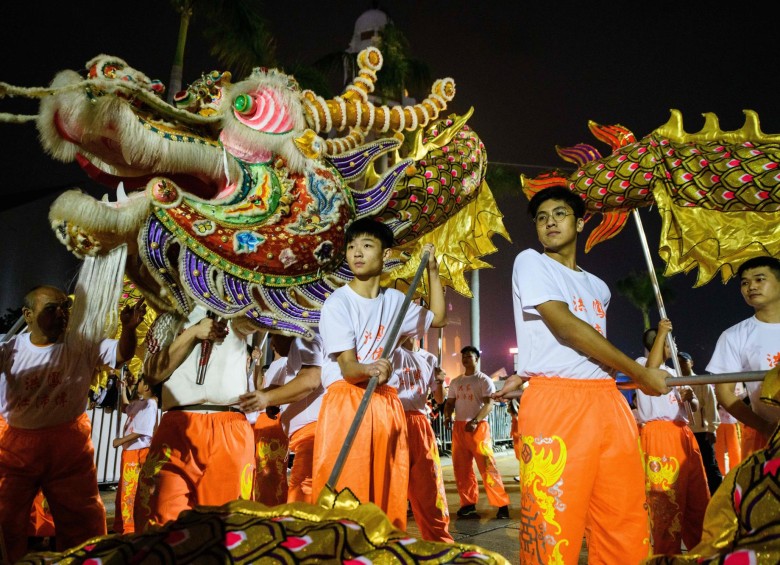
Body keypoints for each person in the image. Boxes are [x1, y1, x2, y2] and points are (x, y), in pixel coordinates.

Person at [495, 186, 669, 565]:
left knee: (624, 516)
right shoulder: (531, 262)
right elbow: (565, 328)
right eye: (542, 218)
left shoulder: (598, 287)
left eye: (559, 214)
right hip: (557, 403)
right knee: (553, 525)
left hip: (607, 400)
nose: (550, 223)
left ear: (579, 221)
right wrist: (638, 371)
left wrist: (632, 375)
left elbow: (588, 347)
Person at [311, 218, 446, 530]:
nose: (357, 253)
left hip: (386, 402)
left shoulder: (396, 301)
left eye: (367, 246)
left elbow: (438, 317)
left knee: (387, 489)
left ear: (385, 255)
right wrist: (369, 368)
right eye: (351, 247)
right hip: (348, 399)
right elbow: (347, 368)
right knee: (348, 492)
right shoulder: (338, 302)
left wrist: (432, 272)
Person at [0, 285, 145, 561]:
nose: (62, 314)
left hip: (69, 445)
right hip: (17, 446)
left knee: (84, 518)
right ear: (27, 315)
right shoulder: (10, 350)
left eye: (65, 307)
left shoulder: (83, 344)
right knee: (6, 517)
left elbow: (121, 355)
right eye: (51, 309)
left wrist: (128, 329)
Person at [136, 306, 258, 531]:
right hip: (178, 424)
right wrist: (193, 333)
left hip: (228, 426)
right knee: (161, 517)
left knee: (224, 525)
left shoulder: (239, 310)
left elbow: (258, 321)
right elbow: (152, 373)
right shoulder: (169, 317)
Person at [635, 320, 710, 555]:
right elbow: (650, 371)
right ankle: (666, 556)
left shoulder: (675, 371)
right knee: (667, 504)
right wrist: (663, 333)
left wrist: (690, 397)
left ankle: (701, 552)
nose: (675, 347)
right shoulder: (642, 365)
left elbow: (693, 407)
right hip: (660, 436)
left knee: (697, 499)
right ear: (659, 343)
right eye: (671, 343)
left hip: (684, 434)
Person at [707, 256, 780, 459]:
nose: (751, 287)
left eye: (759, 279)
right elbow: (724, 392)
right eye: (745, 283)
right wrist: (764, 427)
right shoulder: (734, 336)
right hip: (767, 437)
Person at [239, 332, 324, 504]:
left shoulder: (304, 340)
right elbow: (289, 384)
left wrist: (267, 398)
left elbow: (310, 380)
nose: (273, 344)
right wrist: (273, 398)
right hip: (305, 437)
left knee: (301, 500)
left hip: (312, 435)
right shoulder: (294, 351)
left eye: (275, 335)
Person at [389, 337, 453, 542]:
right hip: (392, 420)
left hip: (419, 422)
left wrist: (441, 381)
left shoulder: (429, 358)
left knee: (429, 486)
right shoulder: (391, 351)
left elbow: (440, 398)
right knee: (392, 487)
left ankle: (439, 542)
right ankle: (391, 543)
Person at [444, 345, 510, 520]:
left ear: (476, 359)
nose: (466, 359)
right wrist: (446, 416)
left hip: (478, 428)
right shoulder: (456, 382)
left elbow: (489, 404)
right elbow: (450, 403)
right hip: (459, 428)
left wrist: (475, 421)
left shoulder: (483, 380)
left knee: (487, 467)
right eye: (464, 356)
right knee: (462, 470)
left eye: (469, 356)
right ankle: (468, 505)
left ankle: (502, 505)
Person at [112, 374, 158, 534]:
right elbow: (125, 408)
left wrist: (121, 440)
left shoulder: (150, 404)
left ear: (146, 387)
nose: (137, 383)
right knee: (124, 490)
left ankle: (130, 528)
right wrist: (123, 390)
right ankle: (122, 526)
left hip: (138, 453)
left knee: (130, 491)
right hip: (130, 452)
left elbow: (142, 430)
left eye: (140, 382)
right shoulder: (141, 402)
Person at [248, 345, 290, 506]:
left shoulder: (287, 363)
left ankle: (273, 505)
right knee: (261, 468)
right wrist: (257, 362)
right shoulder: (274, 365)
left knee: (273, 469)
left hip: (274, 418)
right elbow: (260, 387)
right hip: (262, 420)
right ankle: (261, 502)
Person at [679, 350, 723, 494]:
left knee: (709, 464)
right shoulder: (676, 382)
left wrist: (712, 428)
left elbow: (711, 405)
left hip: (701, 431)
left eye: (684, 362)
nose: (681, 365)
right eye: (678, 362)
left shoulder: (702, 382)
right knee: (687, 466)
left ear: (691, 363)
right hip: (685, 432)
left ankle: (717, 494)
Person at [715, 389, 743, 475]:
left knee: (734, 448)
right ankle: (721, 472)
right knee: (719, 449)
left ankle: (736, 472)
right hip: (719, 422)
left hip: (731, 421)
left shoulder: (737, 385)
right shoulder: (713, 385)